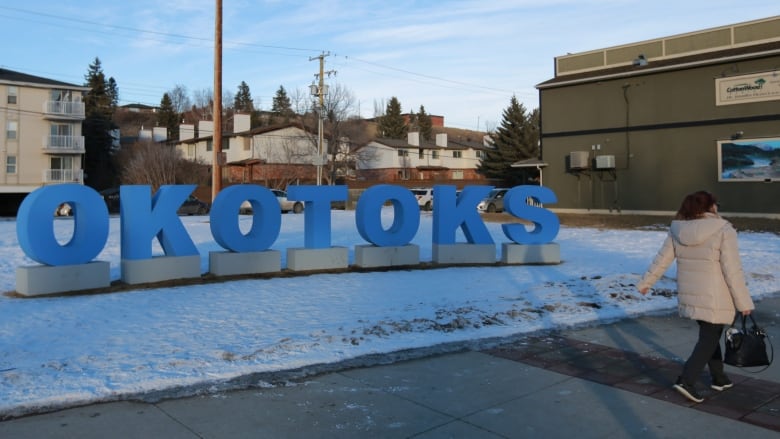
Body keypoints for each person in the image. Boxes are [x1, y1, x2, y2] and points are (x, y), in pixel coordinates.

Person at [637, 190, 754, 403]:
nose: (717, 207)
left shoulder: (678, 229)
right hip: (716, 295)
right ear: (710, 207)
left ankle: (719, 378)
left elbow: (662, 259)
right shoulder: (723, 229)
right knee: (709, 338)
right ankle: (686, 380)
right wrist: (743, 302)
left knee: (710, 336)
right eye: (715, 204)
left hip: (693, 295)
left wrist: (646, 282)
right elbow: (732, 269)